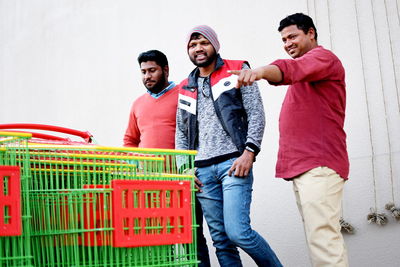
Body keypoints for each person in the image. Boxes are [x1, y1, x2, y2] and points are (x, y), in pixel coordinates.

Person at [230, 13, 349, 267]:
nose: (287, 43)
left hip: (319, 164)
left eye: (293, 36)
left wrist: (259, 71)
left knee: (324, 242)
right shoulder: (310, 71)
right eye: (284, 39)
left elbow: (289, 69)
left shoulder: (322, 59)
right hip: (308, 167)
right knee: (319, 240)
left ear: (311, 34)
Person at [175, 25, 282, 267]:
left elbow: (256, 113)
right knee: (222, 241)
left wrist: (249, 152)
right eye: (193, 45)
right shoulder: (185, 86)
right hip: (201, 172)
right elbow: (181, 133)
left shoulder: (236, 69)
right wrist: (184, 170)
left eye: (203, 42)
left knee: (238, 232)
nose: (198, 48)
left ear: (215, 45)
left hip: (233, 164)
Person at [123, 50, 211, 266]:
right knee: (160, 240)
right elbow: (129, 140)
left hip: (184, 182)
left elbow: (201, 131)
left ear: (165, 69)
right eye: (143, 72)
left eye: (152, 70)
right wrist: (137, 166)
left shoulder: (184, 93)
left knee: (192, 239)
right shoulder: (137, 104)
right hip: (151, 186)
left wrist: (192, 168)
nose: (147, 76)